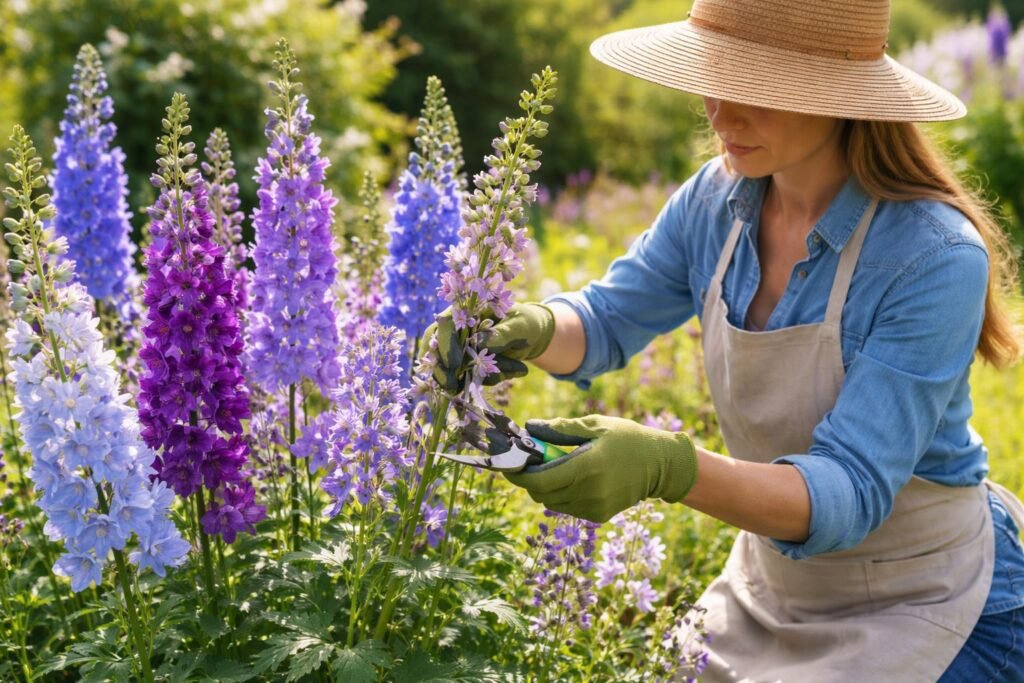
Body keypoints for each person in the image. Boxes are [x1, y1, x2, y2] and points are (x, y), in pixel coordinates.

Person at [428, 0, 1024, 680]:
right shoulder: (716, 202)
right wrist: (524, 327)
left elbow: (848, 490)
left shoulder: (932, 256)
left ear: (840, 97)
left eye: (756, 88)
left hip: (930, 602)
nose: (718, 111)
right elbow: (603, 323)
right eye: (715, 74)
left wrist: (669, 467)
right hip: (773, 590)